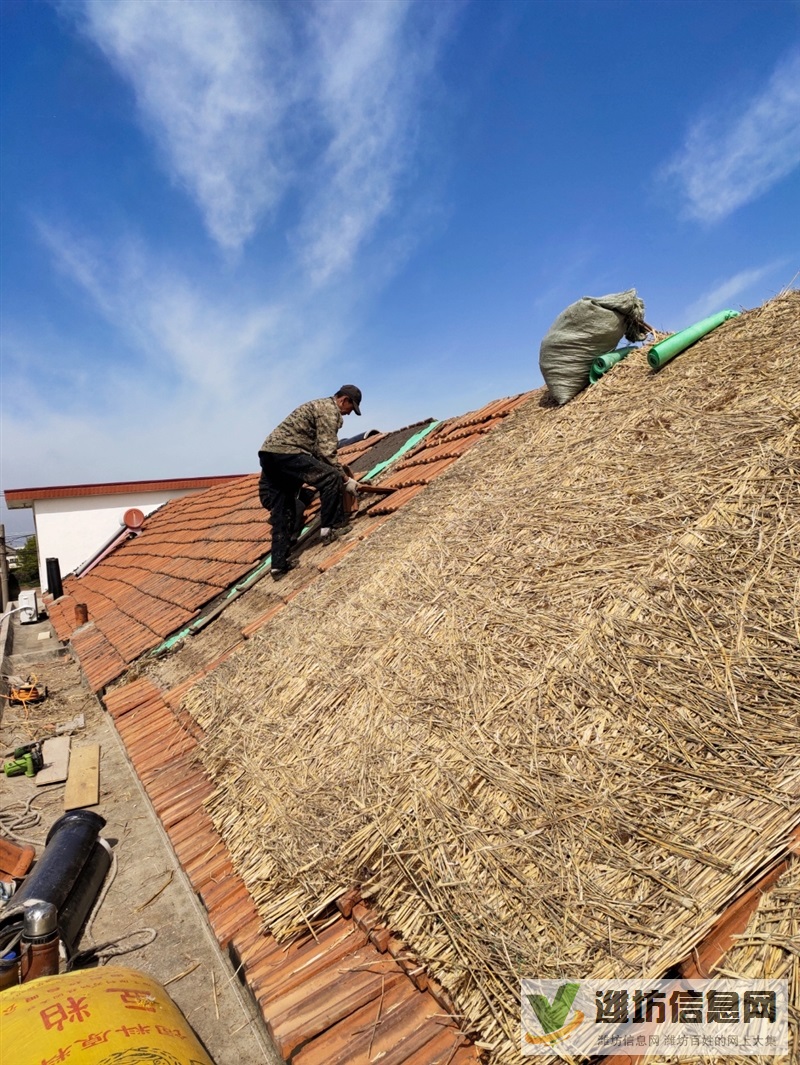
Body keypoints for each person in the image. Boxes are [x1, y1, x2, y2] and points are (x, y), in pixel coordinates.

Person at [258, 385, 362, 578]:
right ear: (343, 400)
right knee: (330, 477)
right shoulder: (329, 410)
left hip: (269, 455)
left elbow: (316, 451)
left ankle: (278, 565)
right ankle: (331, 528)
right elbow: (326, 453)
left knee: (283, 508)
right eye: (351, 408)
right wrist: (346, 479)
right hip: (288, 452)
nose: (348, 414)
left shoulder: (316, 406)